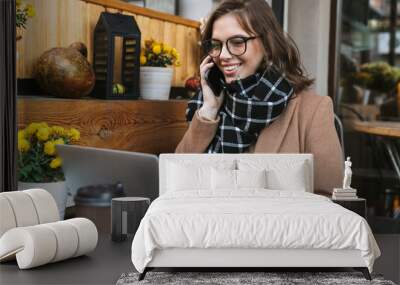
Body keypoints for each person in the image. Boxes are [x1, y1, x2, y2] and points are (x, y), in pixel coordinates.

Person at [175, 0, 343, 195]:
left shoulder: (313, 110)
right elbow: (177, 183)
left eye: (237, 43)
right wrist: (209, 110)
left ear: (267, 43)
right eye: (216, 45)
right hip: (213, 222)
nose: (223, 55)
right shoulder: (208, 106)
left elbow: (330, 196)